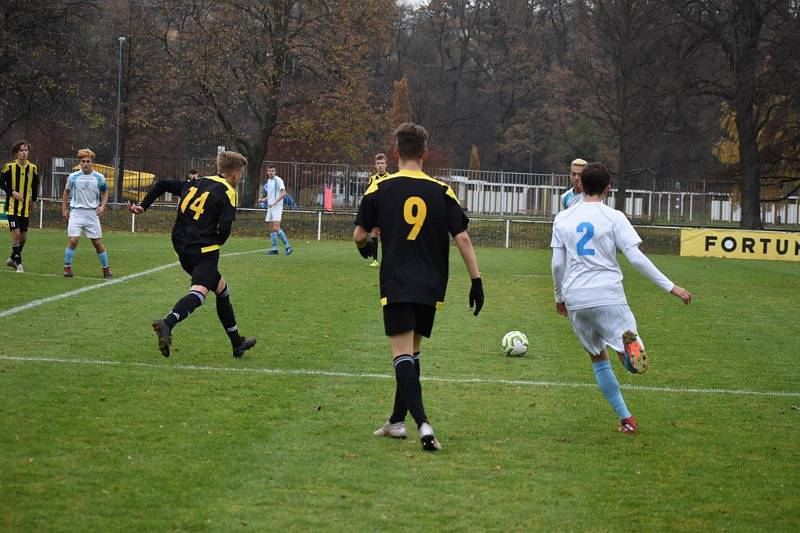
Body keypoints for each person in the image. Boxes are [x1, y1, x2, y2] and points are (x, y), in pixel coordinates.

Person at [353, 123, 484, 452]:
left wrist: (366, 245)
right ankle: (396, 422)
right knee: (412, 352)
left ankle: (423, 423)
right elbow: (463, 238)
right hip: (431, 284)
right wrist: (476, 281)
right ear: (425, 153)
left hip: (398, 280)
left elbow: (359, 235)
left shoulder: (380, 188)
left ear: (396, 152)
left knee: (400, 355)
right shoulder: (442, 191)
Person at [550, 162, 692, 434]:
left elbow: (557, 264)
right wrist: (670, 286)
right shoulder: (614, 217)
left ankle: (626, 418)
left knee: (596, 357)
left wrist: (559, 297)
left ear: (581, 184)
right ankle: (627, 354)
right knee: (626, 348)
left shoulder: (563, 218)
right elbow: (636, 258)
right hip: (608, 294)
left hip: (576, 297)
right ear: (608, 188)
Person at [127, 151, 256, 359]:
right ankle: (167, 323)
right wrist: (217, 243)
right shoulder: (229, 192)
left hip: (181, 245)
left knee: (222, 289)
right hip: (203, 249)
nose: (240, 177)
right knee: (200, 292)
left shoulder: (196, 183)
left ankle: (237, 343)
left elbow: (162, 185)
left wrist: (143, 206)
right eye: (240, 173)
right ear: (233, 174)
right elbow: (224, 228)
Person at [61, 148, 112, 279]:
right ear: (80, 163)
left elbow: (105, 192)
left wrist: (103, 205)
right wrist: (64, 209)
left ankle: (106, 270)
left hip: (92, 214)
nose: (85, 163)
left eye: (88, 161)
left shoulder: (99, 177)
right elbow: (66, 192)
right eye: (83, 161)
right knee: (74, 239)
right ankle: (67, 268)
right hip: (76, 212)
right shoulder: (73, 177)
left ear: (92, 163)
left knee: (97, 243)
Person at [1, 140, 38, 273]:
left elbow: (35, 185)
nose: (24, 153)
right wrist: (12, 192)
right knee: (16, 233)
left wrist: (33, 200)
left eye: (26, 150)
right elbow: (2, 183)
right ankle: (19, 264)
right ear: (16, 153)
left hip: (25, 208)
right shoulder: (9, 167)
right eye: (21, 150)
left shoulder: (33, 168)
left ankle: (12, 258)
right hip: (12, 207)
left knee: (23, 238)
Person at [258, 164, 293, 256]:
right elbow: (270, 195)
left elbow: (283, 193)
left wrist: (274, 202)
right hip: (270, 207)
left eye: (272, 171)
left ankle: (288, 246)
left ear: (275, 171)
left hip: (276, 207)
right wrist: (263, 200)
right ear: (267, 172)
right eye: (269, 171)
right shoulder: (269, 181)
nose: (271, 172)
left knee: (276, 228)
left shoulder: (278, 180)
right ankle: (274, 249)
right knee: (270, 229)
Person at [363, 153, 390, 267]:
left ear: (386, 165)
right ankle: (375, 260)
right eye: (378, 163)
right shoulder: (372, 179)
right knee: (374, 234)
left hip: (387, 211)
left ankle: (388, 260)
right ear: (375, 165)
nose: (380, 165)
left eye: (382, 163)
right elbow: (368, 196)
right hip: (376, 211)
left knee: (388, 235)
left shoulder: (391, 178)